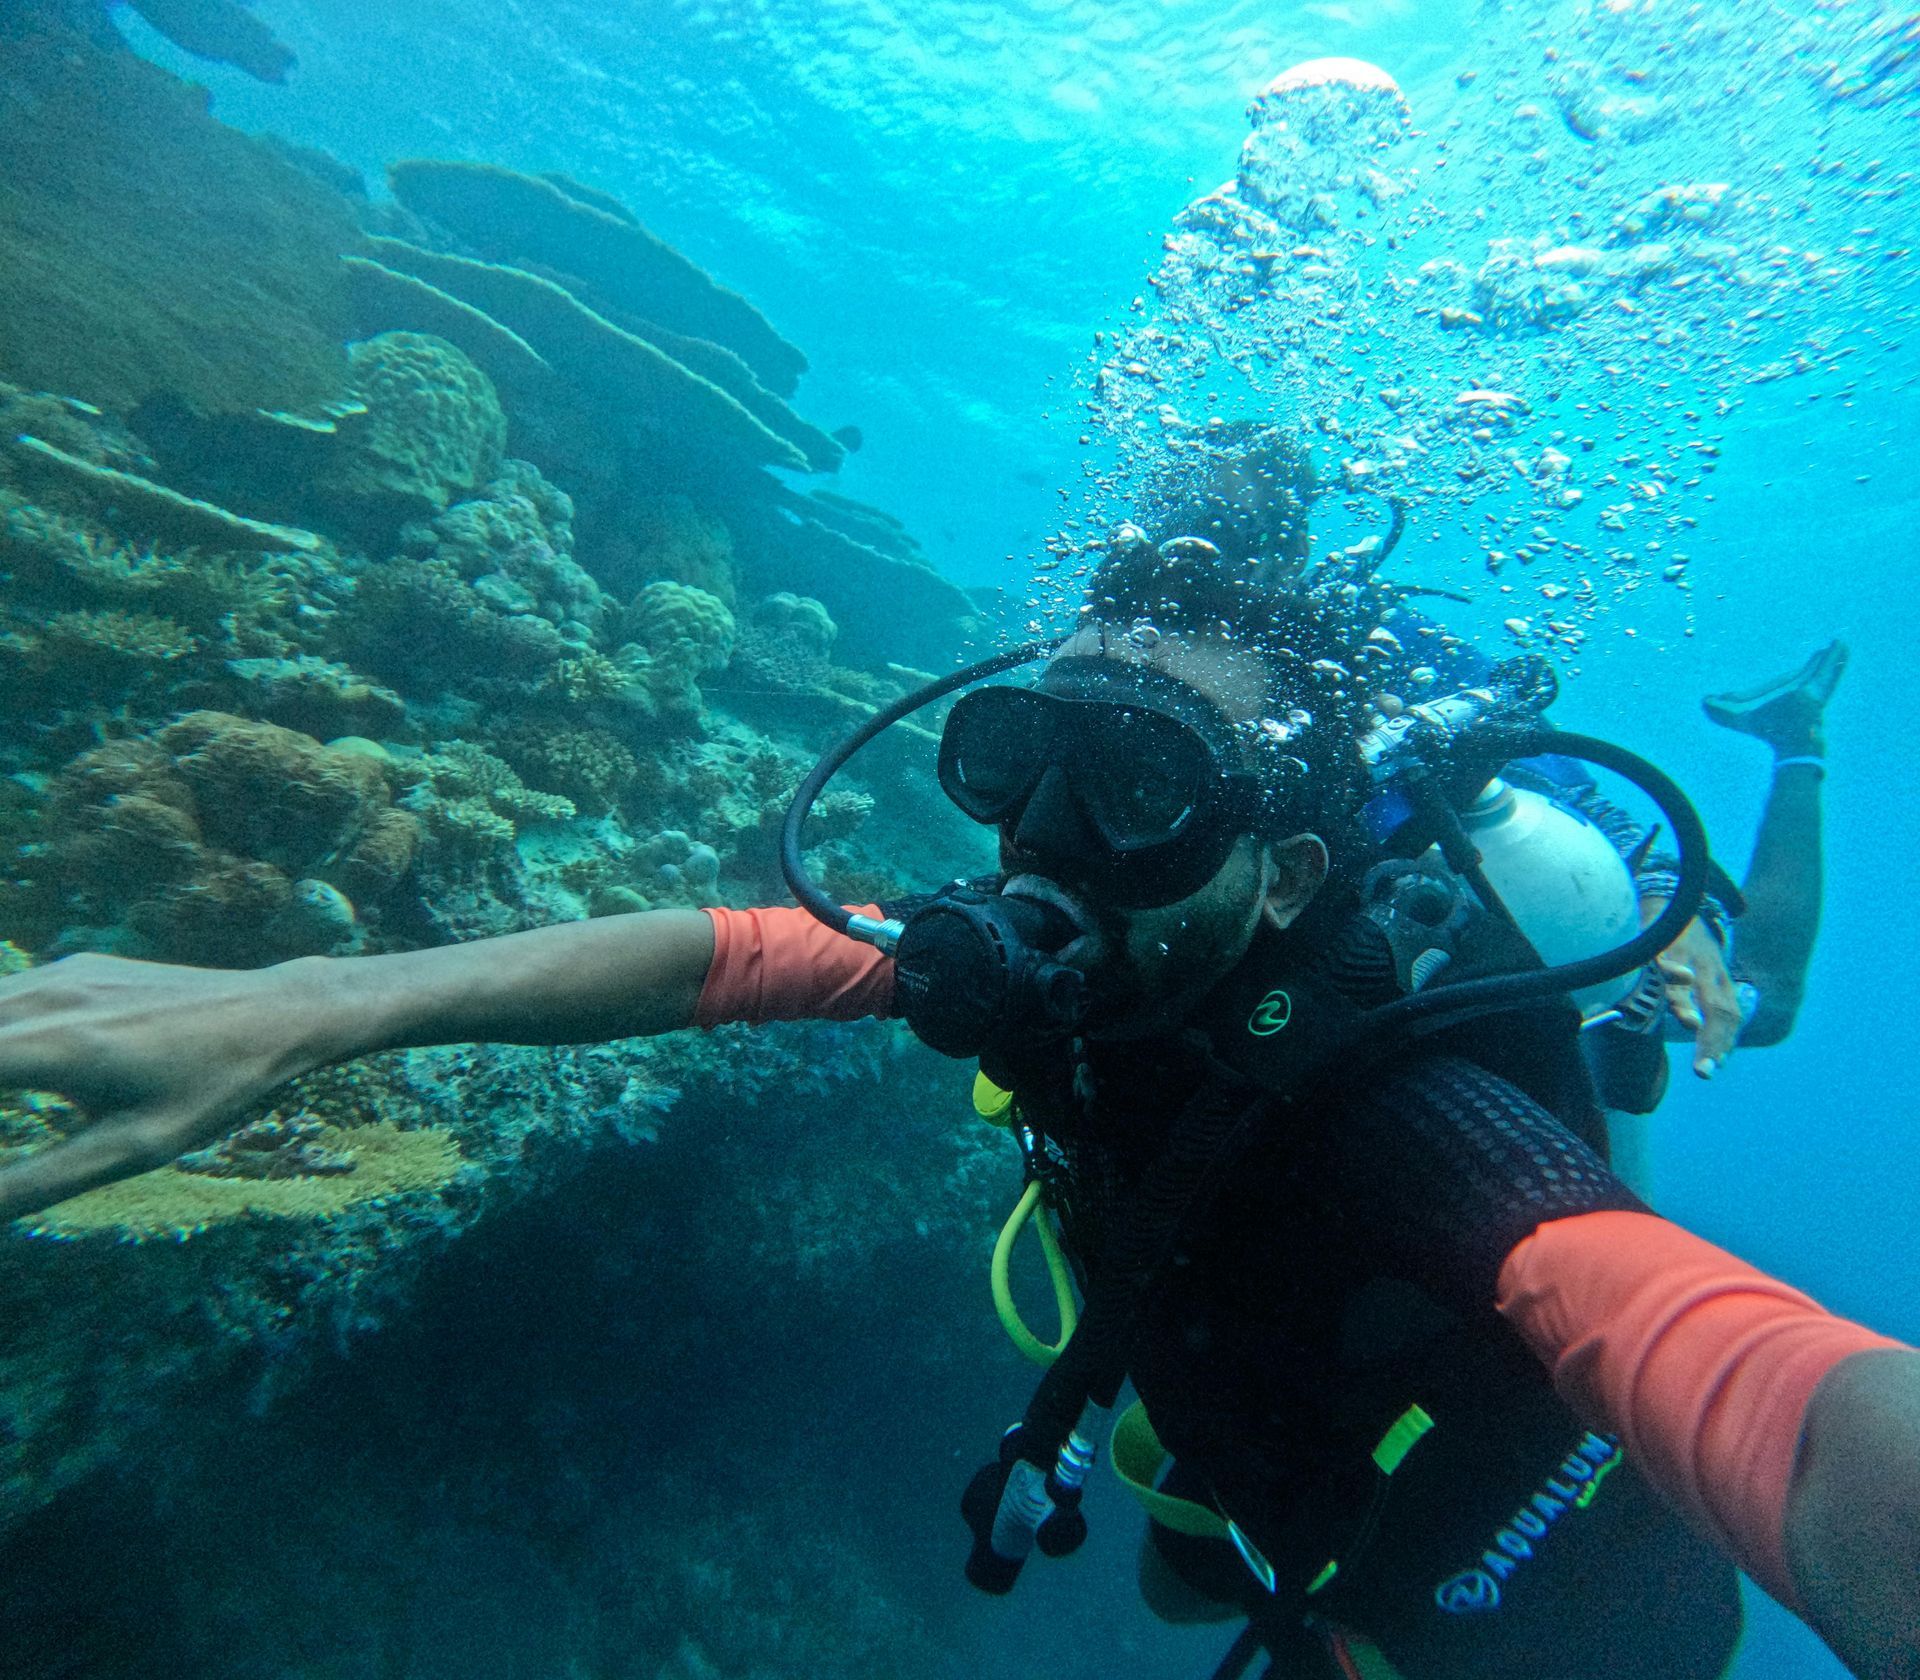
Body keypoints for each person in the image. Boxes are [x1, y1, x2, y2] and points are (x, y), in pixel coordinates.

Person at [0, 539, 1912, 1680]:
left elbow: (1727, 1358)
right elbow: (720, 956)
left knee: (1760, 1004)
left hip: (1560, 1617)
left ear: (1287, 863)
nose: (1049, 848)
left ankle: (1801, 741)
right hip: (1278, 1450)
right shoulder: (1063, 947)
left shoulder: (1408, 1115)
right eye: (1024, 760)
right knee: (1189, 1575)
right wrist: (296, 1005)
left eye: (1144, 784)